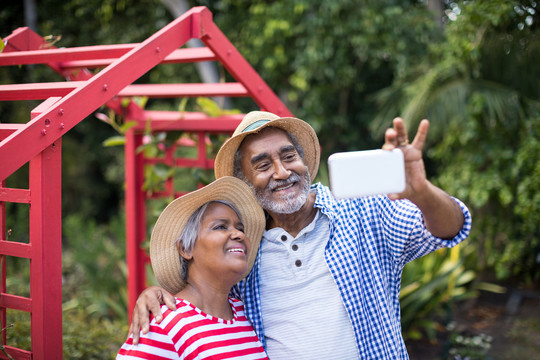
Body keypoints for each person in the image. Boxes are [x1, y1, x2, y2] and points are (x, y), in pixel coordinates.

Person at [128, 111, 472, 359]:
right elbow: (205, 294)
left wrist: (421, 191)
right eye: (262, 165)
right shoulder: (243, 250)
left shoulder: (364, 211)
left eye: (289, 156)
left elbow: (450, 229)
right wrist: (159, 294)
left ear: (304, 161)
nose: (281, 172)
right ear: (246, 183)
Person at [117, 176, 269, 359]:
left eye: (240, 228)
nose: (238, 234)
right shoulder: (163, 323)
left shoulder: (244, 313)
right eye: (221, 226)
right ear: (185, 248)